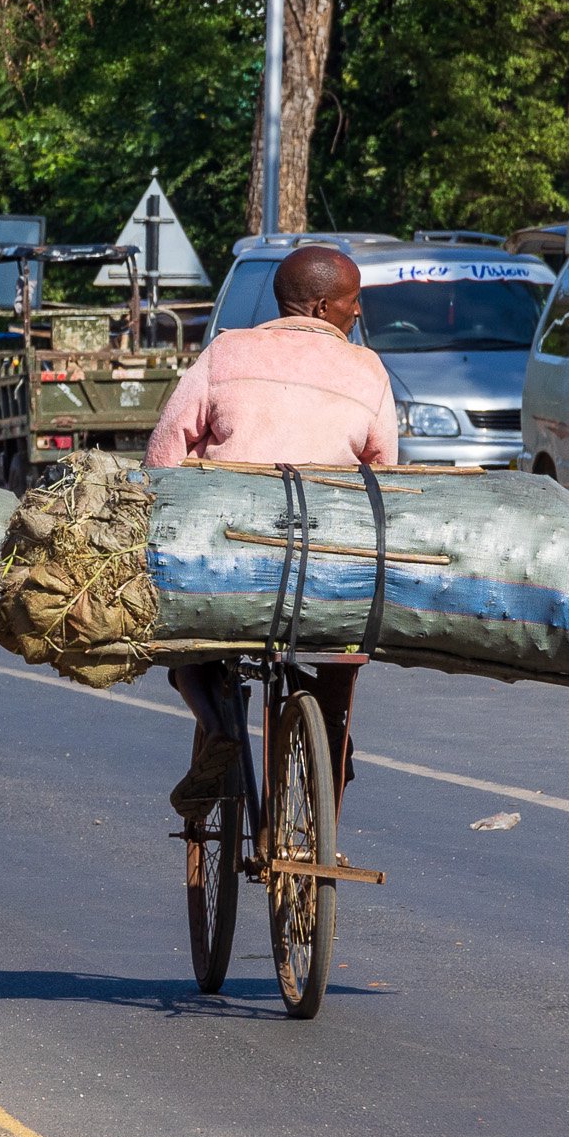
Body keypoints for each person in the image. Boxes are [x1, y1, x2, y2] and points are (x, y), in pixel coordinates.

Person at [140, 246, 399, 821]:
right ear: (323, 305)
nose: (358, 314)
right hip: (326, 568)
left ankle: (218, 722)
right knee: (342, 646)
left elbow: (164, 454)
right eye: (354, 302)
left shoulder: (226, 350)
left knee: (186, 638)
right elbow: (382, 479)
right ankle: (331, 737)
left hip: (227, 564)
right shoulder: (368, 370)